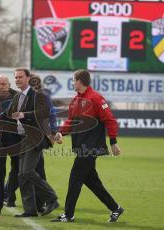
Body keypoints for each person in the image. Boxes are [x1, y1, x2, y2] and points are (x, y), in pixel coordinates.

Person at [52, 69, 124, 223]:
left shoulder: (96, 98)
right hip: (81, 147)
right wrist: (60, 133)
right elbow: (70, 123)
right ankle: (115, 208)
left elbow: (110, 120)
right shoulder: (75, 100)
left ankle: (68, 215)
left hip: (91, 147)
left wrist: (113, 142)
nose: (72, 83)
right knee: (91, 181)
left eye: (73, 80)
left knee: (75, 178)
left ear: (79, 81)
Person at [6, 67, 59, 217]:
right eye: (15, 77)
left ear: (28, 78)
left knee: (27, 171)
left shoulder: (37, 95)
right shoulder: (17, 96)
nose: (17, 80)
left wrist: (24, 114)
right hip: (23, 139)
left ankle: (51, 198)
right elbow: (9, 113)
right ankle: (30, 210)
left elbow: (44, 112)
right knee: (22, 175)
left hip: (35, 137)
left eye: (20, 77)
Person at [0, 75, 20, 212]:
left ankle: (10, 196)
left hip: (17, 139)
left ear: (9, 84)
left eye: (3, 84)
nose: (1, 86)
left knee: (19, 169)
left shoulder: (19, 97)